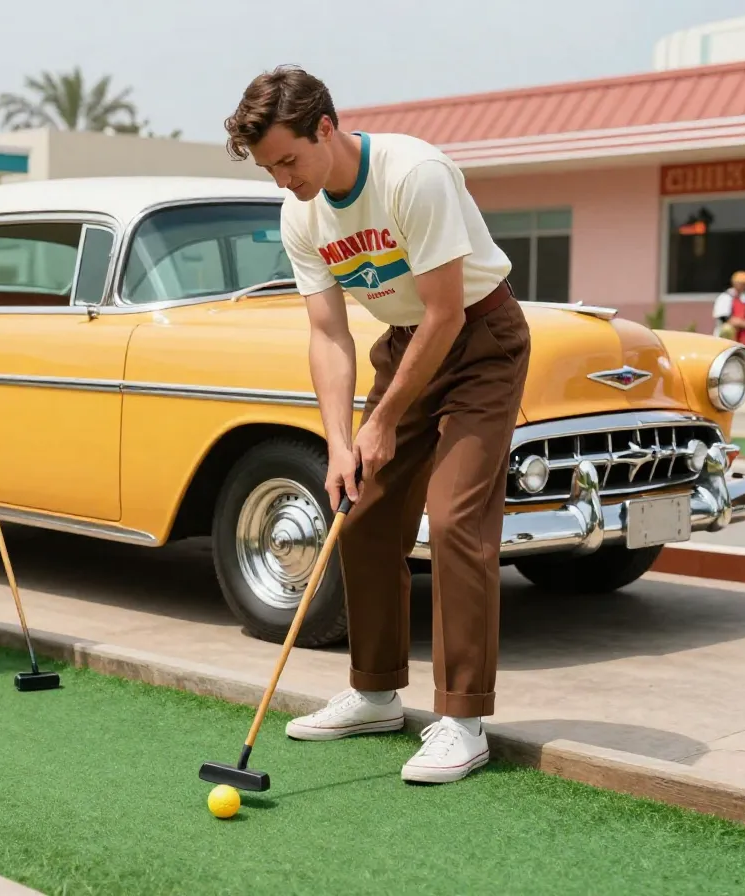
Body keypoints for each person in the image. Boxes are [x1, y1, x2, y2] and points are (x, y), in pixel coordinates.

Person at [224, 66, 530, 784]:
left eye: (288, 161)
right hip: (404, 348)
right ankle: (375, 693)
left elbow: (447, 312)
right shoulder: (301, 213)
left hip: (480, 344)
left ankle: (462, 720)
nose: (283, 180)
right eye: (269, 169)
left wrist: (384, 420)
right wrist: (340, 442)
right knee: (358, 511)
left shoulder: (413, 174)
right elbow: (328, 335)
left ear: (326, 127)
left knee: (454, 520)